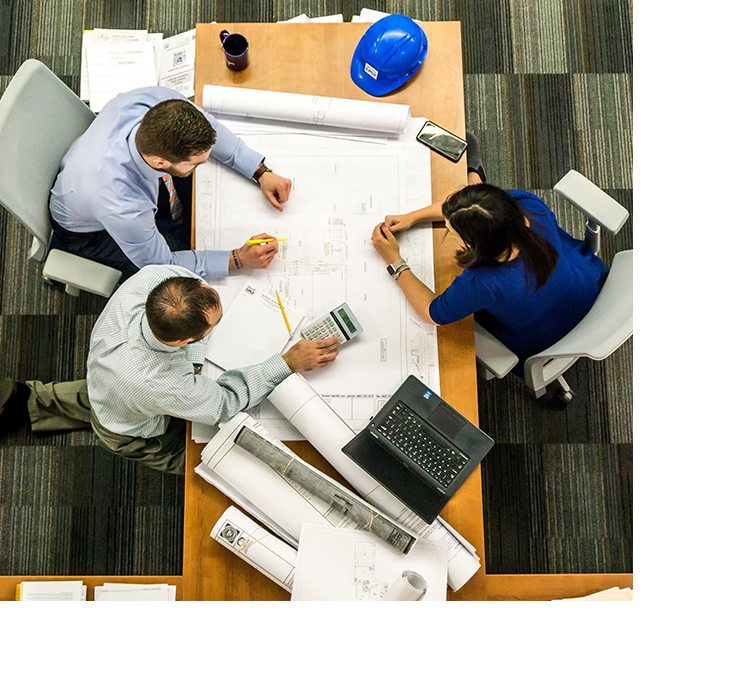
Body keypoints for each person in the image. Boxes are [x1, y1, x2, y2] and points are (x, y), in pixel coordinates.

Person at [0, 265, 340, 474]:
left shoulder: (154, 279)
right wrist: (287, 362)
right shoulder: (157, 383)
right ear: (184, 342)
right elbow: (222, 403)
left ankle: (22, 402)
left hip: (105, 379)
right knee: (211, 459)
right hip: (129, 428)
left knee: (91, 396)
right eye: (214, 327)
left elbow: (194, 283)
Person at [371, 169, 609, 377]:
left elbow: (432, 313)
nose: (446, 228)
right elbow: (471, 209)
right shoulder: (527, 206)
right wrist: (412, 217)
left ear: (476, 245)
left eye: (452, 232)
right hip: (591, 284)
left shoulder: (482, 283)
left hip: (546, 339)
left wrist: (394, 260)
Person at [49, 86, 293, 282]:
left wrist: (260, 172)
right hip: (89, 233)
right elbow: (162, 264)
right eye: (197, 162)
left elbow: (211, 128)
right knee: (182, 283)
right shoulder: (122, 204)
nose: (206, 162)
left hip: (92, 173)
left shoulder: (158, 101)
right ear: (160, 161)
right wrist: (237, 259)